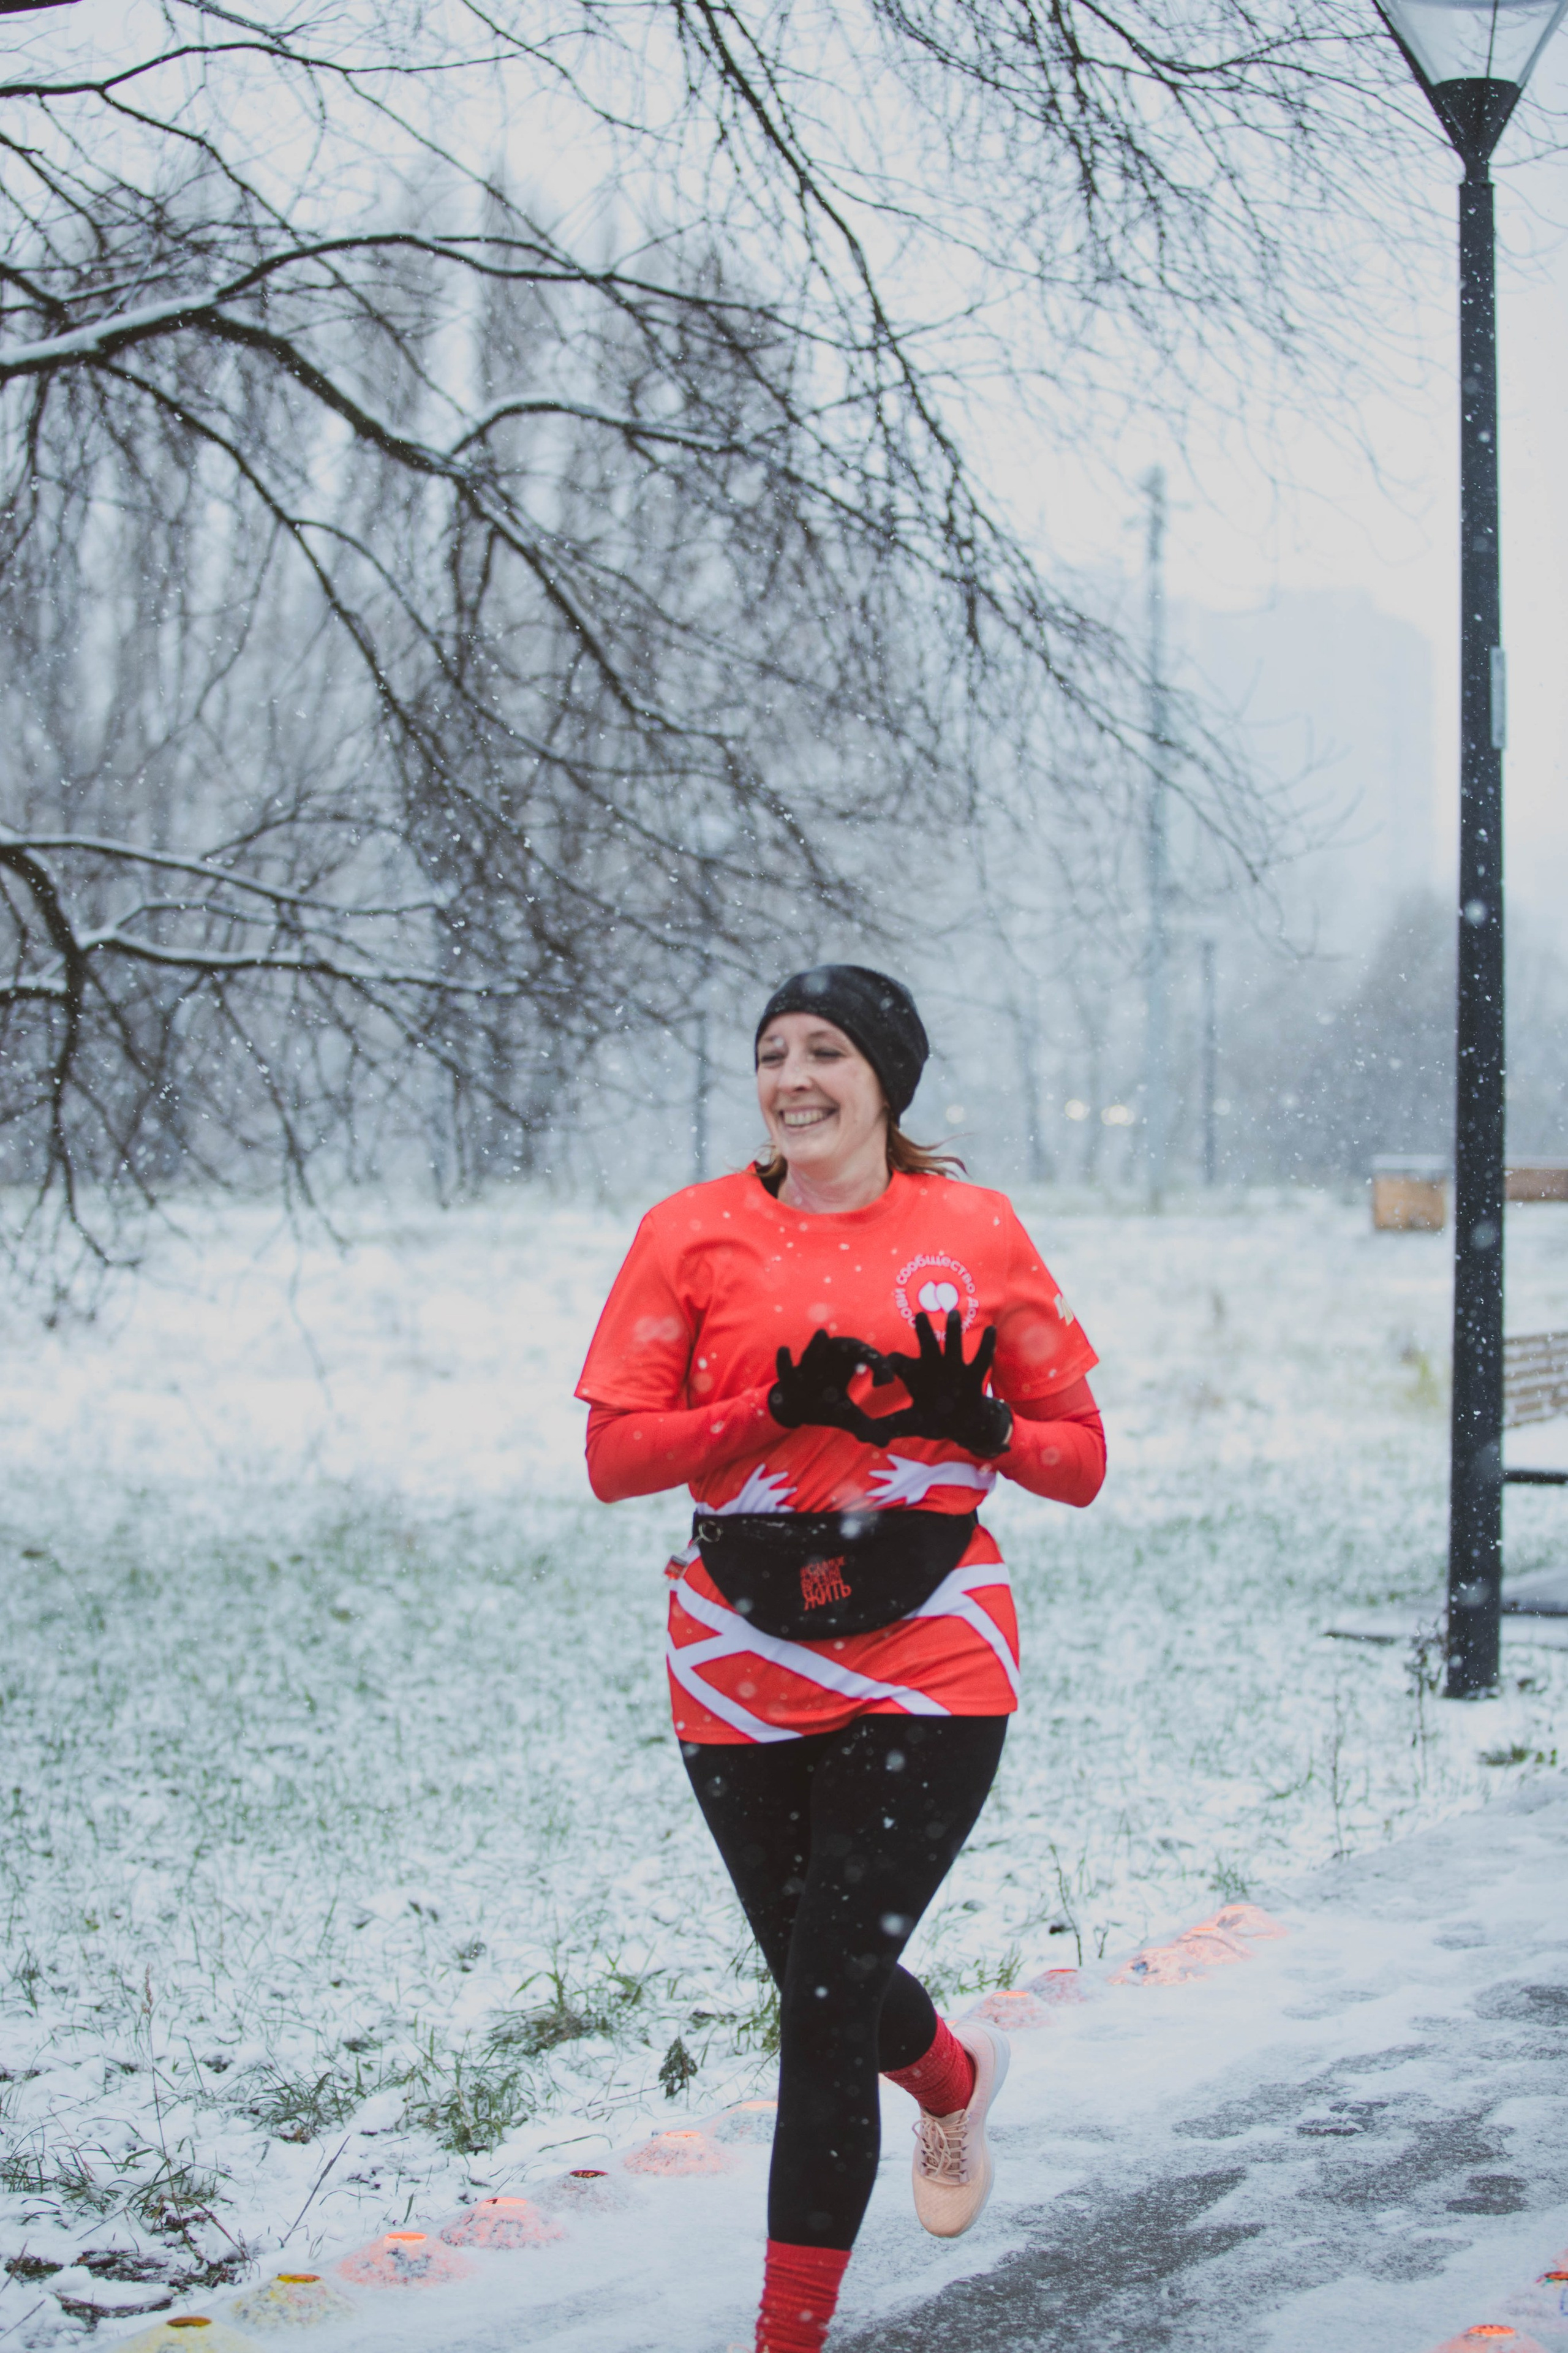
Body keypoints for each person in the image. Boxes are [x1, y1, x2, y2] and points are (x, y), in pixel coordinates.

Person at [576, 965, 1104, 2353]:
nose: (792, 1076)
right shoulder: (690, 1234)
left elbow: (1081, 1462)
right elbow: (613, 1457)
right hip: (735, 1647)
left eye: (824, 1051)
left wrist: (979, 1423)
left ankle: (784, 2335)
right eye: (771, 1053)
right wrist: (758, 1413)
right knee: (818, 1974)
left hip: (933, 1642)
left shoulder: (973, 1231)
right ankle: (948, 2076)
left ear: (886, 1079)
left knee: (819, 2001)